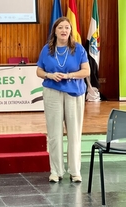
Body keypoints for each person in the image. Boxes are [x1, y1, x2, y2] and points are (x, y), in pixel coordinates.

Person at [36, 17, 90, 183]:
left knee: (74, 133)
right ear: (55, 30)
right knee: (54, 133)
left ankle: (75, 172)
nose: (64, 30)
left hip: (74, 93)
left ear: (70, 31)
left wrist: (69, 76)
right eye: (60, 27)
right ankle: (56, 171)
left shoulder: (78, 49)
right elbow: (39, 70)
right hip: (52, 92)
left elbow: (86, 71)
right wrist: (49, 75)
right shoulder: (47, 49)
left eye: (67, 27)